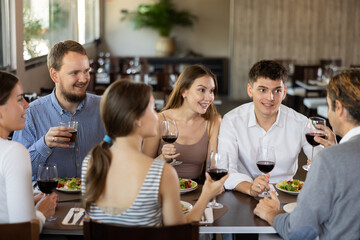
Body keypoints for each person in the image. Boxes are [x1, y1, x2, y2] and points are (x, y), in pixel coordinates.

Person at [82, 80, 227, 225]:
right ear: (137, 119)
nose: (158, 115)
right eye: (153, 109)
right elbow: (179, 231)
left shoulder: (90, 162)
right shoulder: (162, 172)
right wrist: (206, 195)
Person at [254, 69, 360, 239]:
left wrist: (272, 214)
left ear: (338, 108)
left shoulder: (329, 160)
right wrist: (336, 147)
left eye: (328, 105)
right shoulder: (336, 155)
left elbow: (299, 231)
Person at [218, 60, 322, 197]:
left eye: (277, 90)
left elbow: (321, 159)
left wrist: (324, 155)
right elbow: (225, 170)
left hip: (286, 194)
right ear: (250, 90)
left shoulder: (302, 122)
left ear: (284, 92)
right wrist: (250, 188)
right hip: (243, 192)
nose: (270, 97)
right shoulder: (232, 120)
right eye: (262, 90)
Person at [13, 40, 105, 179]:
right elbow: (17, 172)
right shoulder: (30, 114)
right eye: (74, 73)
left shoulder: (105, 108)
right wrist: (44, 144)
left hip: (96, 198)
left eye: (86, 71)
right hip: (51, 199)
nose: (83, 79)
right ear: (54, 75)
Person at [143, 64, 222, 181]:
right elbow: (143, 168)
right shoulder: (159, 120)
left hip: (195, 189)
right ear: (184, 92)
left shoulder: (213, 121)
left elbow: (212, 168)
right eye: (201, 90)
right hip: (160, 187)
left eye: (211, 91)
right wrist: (162, 158)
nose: (209, 97)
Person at [0, 71, 57, 230]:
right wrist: (40, 213)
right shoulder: (13, 152)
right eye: (20, 99)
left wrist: (28, 200)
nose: (27, 104)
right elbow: (23, 230)